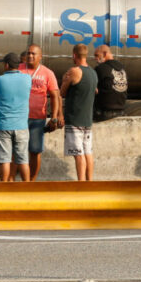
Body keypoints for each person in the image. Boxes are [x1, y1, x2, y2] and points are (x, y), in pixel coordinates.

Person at [18, 44, 61, 181]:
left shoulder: (47, 73)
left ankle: (32, 181)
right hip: (19, 118)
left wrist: (54, 118)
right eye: (28, 53)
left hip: (38, 119)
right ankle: (13, 181)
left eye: (33, 54)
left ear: (40, 56)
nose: (30, 56)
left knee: (35, 152)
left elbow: (55, 95)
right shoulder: (19, 69)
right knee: (17, 151)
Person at [0, 53, 32, 182]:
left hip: (3, 125)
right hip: (22, 125)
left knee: (5, 160)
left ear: (7, 65)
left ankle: (4, 190)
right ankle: (28, 189)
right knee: (23, 160)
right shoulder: (27, 78)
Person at [60, 44, 98, 181]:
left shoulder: (74, 71)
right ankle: (90, 182)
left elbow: (62, 92)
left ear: (74, 55)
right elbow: (95, 91)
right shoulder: (93, 73)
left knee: (78, 154)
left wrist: (65, 79)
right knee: (88, 152)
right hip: (87, 119)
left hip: (75, 118)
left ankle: (81, 183)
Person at [93, 45, 127, 122]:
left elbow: (93, 89)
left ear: (105, 54)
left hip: (104, 113)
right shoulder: (122, 68)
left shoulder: (100, 68)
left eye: (97, 55)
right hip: (121, 110)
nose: (95, 58)